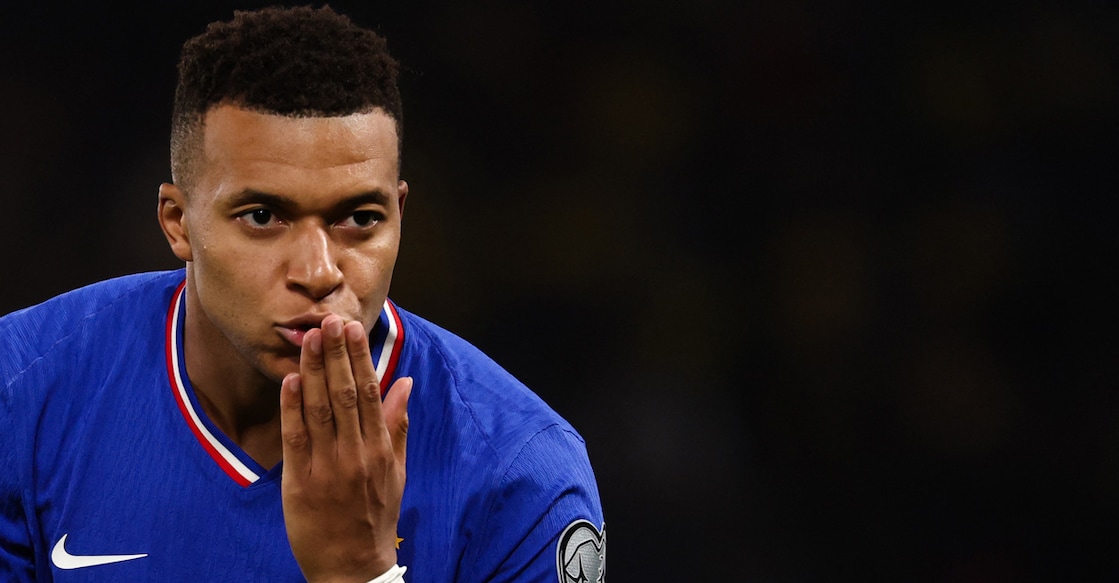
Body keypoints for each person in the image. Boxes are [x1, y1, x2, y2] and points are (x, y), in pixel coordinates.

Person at [0, 6, 605, 583]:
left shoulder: (520, 477)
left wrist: (361, 572)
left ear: (400, 216)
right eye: (263, 216)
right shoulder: (20, 394)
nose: (318, 273)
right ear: (178, 223)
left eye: (360, 219)